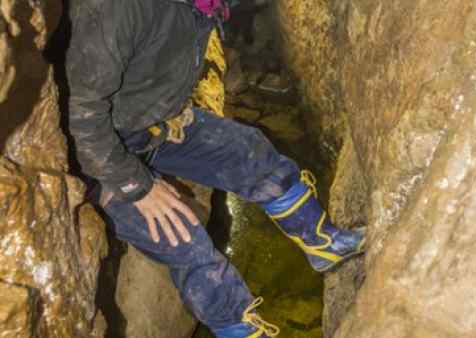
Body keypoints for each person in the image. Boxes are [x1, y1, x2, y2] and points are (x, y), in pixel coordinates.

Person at [66, 0, 366, 337]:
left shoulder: (204, 4)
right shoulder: (115, 10)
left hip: (158, 124)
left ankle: (321, 243)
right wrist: (136, 186)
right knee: (182, 236)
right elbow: (84, 118)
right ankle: (240, 331)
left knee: (249, 152)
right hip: (98, 154)